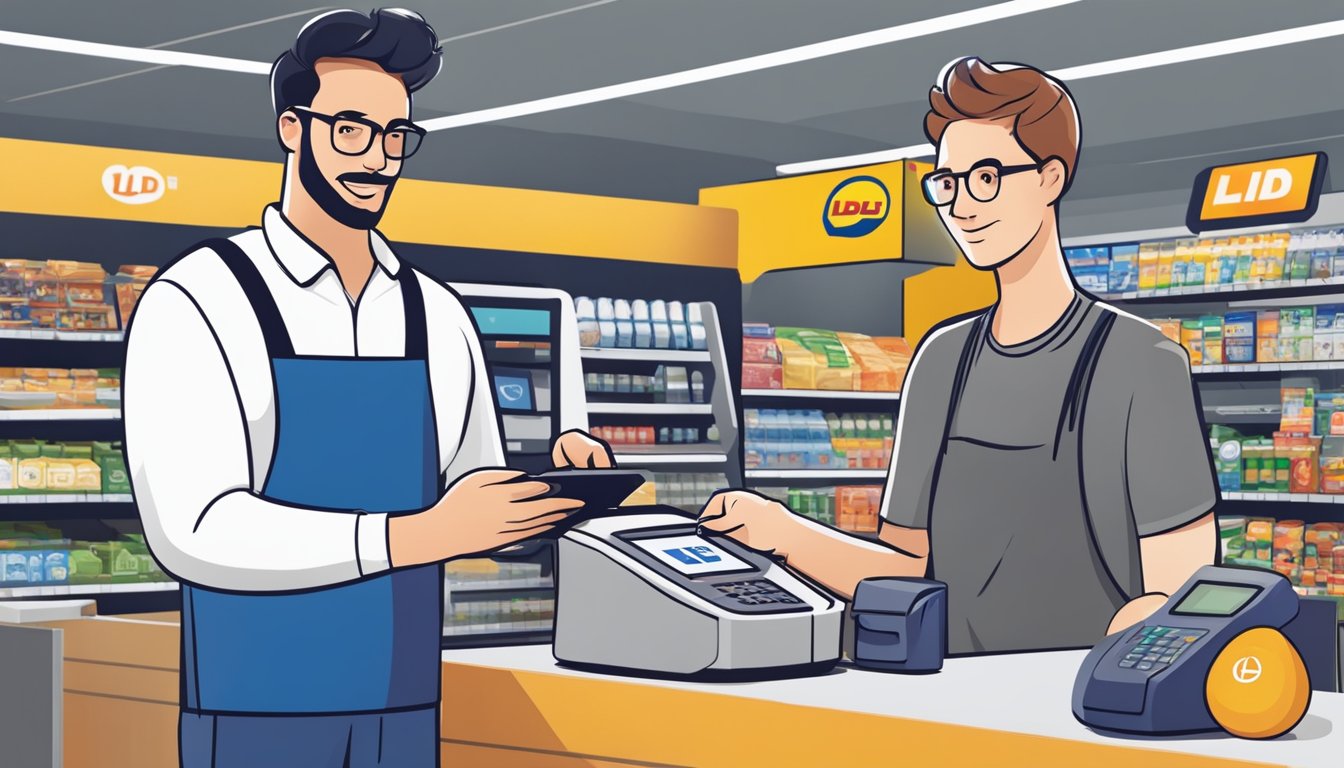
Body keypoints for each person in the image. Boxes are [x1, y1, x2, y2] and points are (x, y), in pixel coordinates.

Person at [123, 9, 611, 766]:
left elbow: (470, 495)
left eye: (395, 137)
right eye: (350, 128)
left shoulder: (437, 313)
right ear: (292, 127)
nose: (379, 157)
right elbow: (192, 529)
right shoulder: (201, 297)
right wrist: (411, 535)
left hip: (404, 702)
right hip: (255, 705)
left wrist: (550, 497)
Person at [701, 58, 1219, 656]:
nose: (962, 206)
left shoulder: (1139, 361)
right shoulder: (941, 360)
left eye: (987, 176)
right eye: (947, 182)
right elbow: (906, 573)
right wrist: (784, 533)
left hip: (1082, 710)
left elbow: (1178, 593)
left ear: (1051, 179)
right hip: (952, 699)